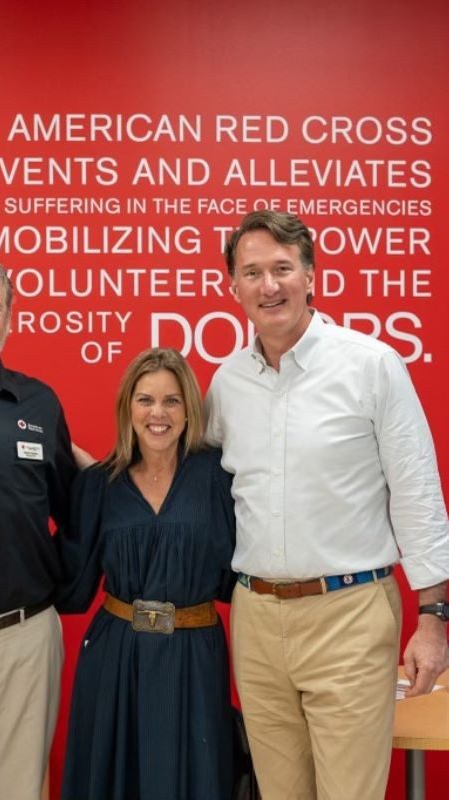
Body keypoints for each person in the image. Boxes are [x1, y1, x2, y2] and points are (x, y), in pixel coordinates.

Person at [205, 211, 449, 800]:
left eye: (283, 269)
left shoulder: (370, 365)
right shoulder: (225, 383)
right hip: (257, 619)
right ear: (233, 287)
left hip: (350, 615)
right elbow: (194, 485)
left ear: (310, 275)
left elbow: (417, 491)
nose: (270, 286)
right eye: (253, 272)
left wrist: (435, 619)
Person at [56, 347, 236, 800]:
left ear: (189, 408)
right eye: (145, 400)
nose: (158, 413)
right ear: (128, 408)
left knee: (197, 777)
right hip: (116, 657)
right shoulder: (100, 483)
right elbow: (72, 584)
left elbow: (241, 574)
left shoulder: (218, 477)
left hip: (195, 654)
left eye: (171, 400)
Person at [0, 265, 77, 800]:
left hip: (22, 634)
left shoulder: (38, 405)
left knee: (20, 788)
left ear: (7, 318)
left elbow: (74, 508)